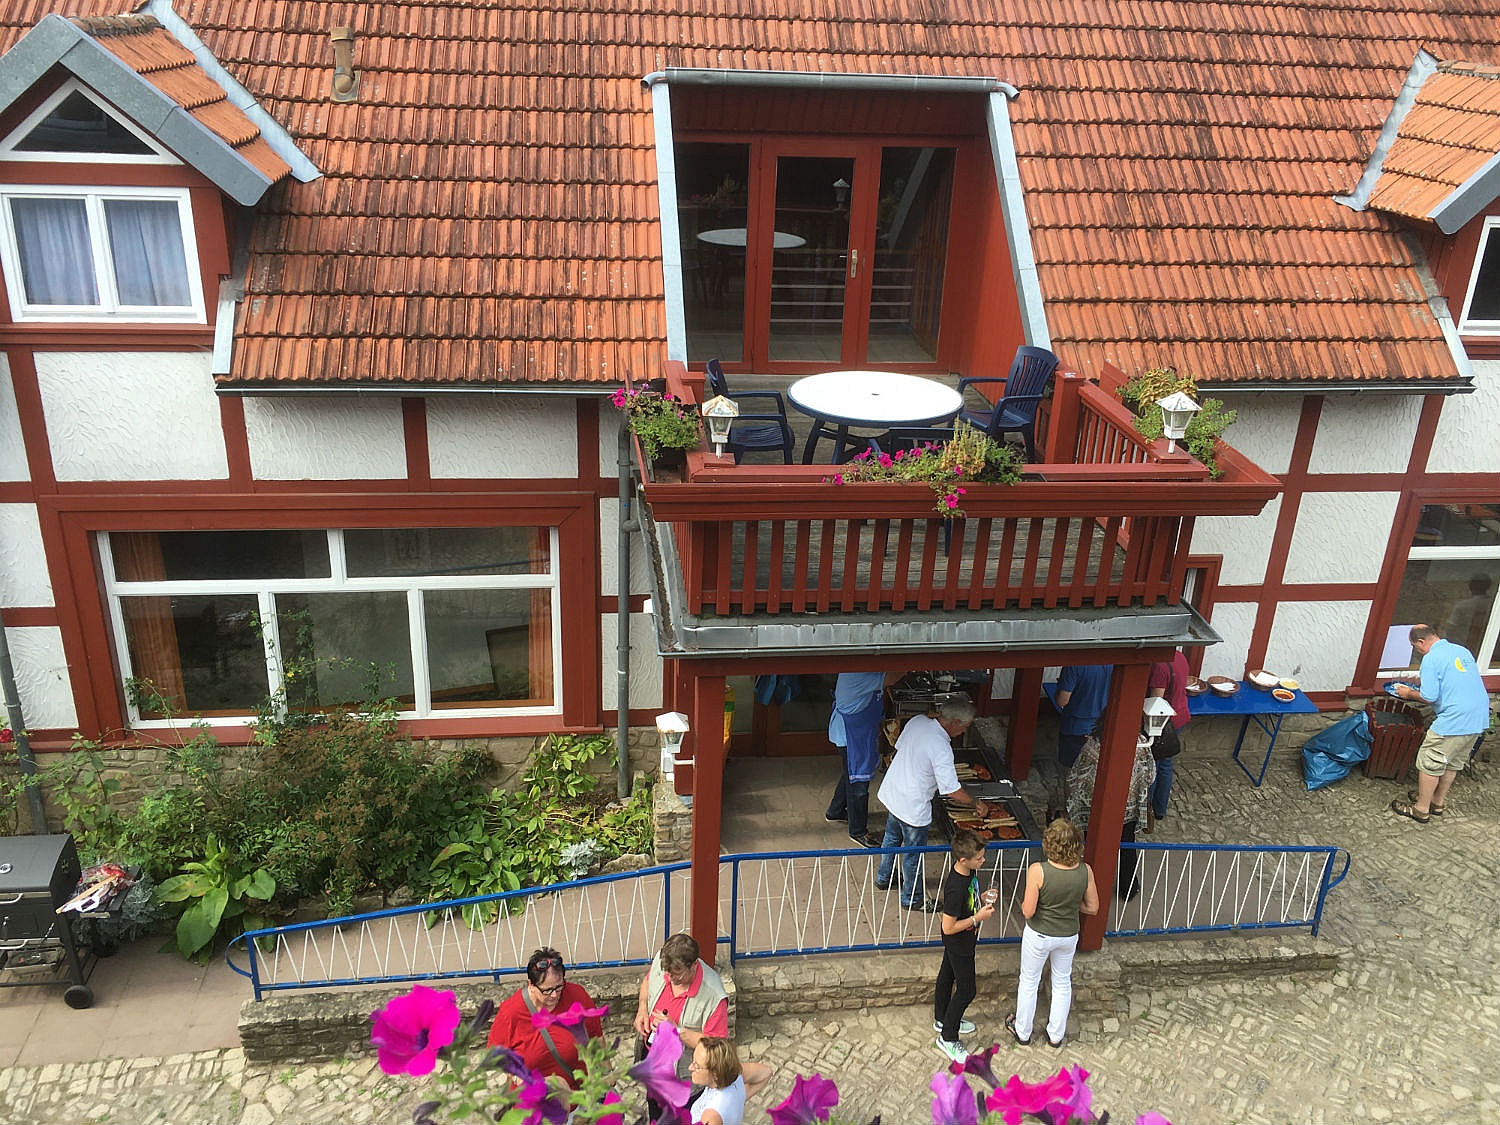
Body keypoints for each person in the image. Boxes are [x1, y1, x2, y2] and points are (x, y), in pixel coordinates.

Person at [875, 697, 994, 911]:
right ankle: (912, 899)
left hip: (893, 792)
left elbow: (901, 747)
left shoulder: (917, 721)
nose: (965, 731)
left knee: (891, 839)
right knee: (913, 855)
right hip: (912, 805)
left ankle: (884, 878)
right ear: (955, 722)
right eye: (965, 726)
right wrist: (976, 803)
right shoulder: (941, 747)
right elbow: (951, 789)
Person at [1006, 817, 1099, 1049]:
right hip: (1068, 935)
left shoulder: (1038, 871)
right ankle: (1056, 1035)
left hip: (1039, 934)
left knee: (1029, 981)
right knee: (1062, 981)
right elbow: (1093, 907)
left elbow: (1028, 911)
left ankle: (1023, 1031)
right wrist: (1071, 905)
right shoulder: (1085, 871)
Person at [1388, 623, 1491, 823]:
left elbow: (1429, 696)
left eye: (1414, 646)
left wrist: (1408, 693)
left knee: (1429, 761)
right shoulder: (1460, 650)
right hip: (1478, 716)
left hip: (1455, 718)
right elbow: (1455, 681)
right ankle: (1437, 802)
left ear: (1421, 642)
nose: (1416, 651)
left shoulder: (1431, 658)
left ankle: (1421, 809)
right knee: (1451, 762)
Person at [487, 947, 604, 1087]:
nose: (554, 995)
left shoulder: (577, 995)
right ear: (531, 985)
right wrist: (519, 1078)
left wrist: (607, 1075)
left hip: (576, 1094)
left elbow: (596, 1038)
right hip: (533, 1096)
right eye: (547, 990)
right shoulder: (510, 1013)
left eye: (558, 987)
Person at [933, 828, 998, 1063]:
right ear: (963, 859)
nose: (983, 861)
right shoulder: (955, 888)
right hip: (959, 942)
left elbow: (968, 901)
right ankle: (948, 1037)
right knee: (967, 990)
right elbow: (948, 927)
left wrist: (981, 899)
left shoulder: (969, 873)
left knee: (946, 977)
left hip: (963, 940)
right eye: (979, 858)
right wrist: (977, 918)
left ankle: (942, 1017)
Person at [1065, 731, 1153, 900]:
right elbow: (1150, 774)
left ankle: (1092, 888)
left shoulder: (1094, 745)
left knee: (1094, 846)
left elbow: (1076, 774)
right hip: (1127, 808)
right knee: (1127, 845)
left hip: (1094, 807)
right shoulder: (1142, 744)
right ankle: (1128, 888)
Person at [633, 932, 729, 1082]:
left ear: (694, 965)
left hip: (680, 1075)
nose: (671, 979)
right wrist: (642, 1009)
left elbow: (716, 1046)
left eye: (678, 974)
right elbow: (648, 981)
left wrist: (676, 1031)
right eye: (668, 973)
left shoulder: (714, 997)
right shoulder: (663, 961)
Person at [825, 671, 895, 847]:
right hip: (850, 735)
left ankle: (835, 811)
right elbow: (890, 679)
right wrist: (912, 663)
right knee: (859, 784)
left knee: (851, 773)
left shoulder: (860, 667)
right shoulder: (858, 674)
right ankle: (858, 831)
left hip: (854, 731)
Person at [1146, 648, 1191, 830]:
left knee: (1153, 764)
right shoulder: (1180, 657)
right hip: (1179, 715)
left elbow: (1156, 702)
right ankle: (1159, 809)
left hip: (1164, 722)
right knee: (1165, 763)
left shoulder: (1160, 666)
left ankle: (1148, 808)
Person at [686, 1037, 772, 1125]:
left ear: (715, 1074)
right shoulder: (735, 1074)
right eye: (693, 1061)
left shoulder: (711, 1116)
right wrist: (740, 1098)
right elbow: (766, 1072)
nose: (690, 1068)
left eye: (697, 1066)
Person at [1054, 664, 1112, 770]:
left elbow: (1061, 701)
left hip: (1075, 728)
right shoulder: (1113, 663)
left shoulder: (1074, 665)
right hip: (1102, 726)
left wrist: (1060, 687)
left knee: (1070, 770)